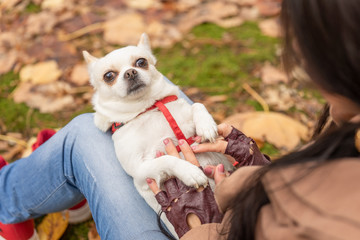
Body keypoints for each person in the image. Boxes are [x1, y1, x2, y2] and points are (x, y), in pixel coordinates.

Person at [1, 0, 360, 239]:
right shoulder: (350, 126)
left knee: (84, 132)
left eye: (300, 38)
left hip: (201, 227)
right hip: (233, 203)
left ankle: (17, 199)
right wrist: (256, 168)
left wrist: (203, 224)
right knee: (164, 99)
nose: (296, 52)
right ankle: (74, 187)